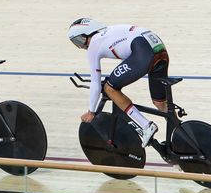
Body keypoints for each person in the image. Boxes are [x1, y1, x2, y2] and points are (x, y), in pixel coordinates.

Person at [67, 18, 166, 146]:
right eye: (76, 43)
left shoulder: (94, 44)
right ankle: (179, 132)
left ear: (88, 32)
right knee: (160, 103)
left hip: (143, 52)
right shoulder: (111, 31)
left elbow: (96, 84)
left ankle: (146, 126)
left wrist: (91, 111)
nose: (81, 46)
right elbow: (128, 58)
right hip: (158, 48)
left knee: (110, 88)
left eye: (79, 40)